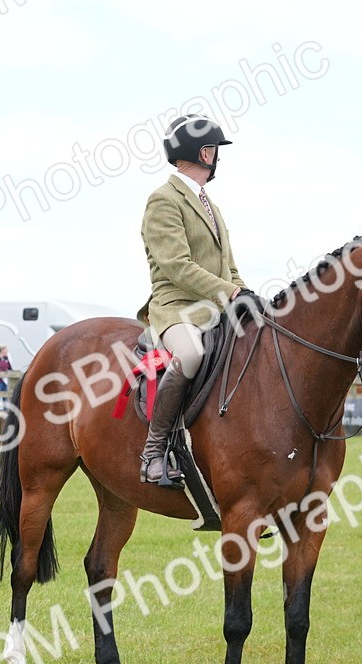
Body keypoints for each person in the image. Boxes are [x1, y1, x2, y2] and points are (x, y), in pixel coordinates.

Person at [135, 114, 256, 486]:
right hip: (175, 308)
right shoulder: (163, 200)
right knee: (190, 355)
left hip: (215, 307)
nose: (218, 158)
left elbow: (229, 269)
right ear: (205, 152)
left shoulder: (211, 207)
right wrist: (228, 292)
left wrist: (247, 294)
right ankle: (154, 451)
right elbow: (177, 266)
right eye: (216, 151)